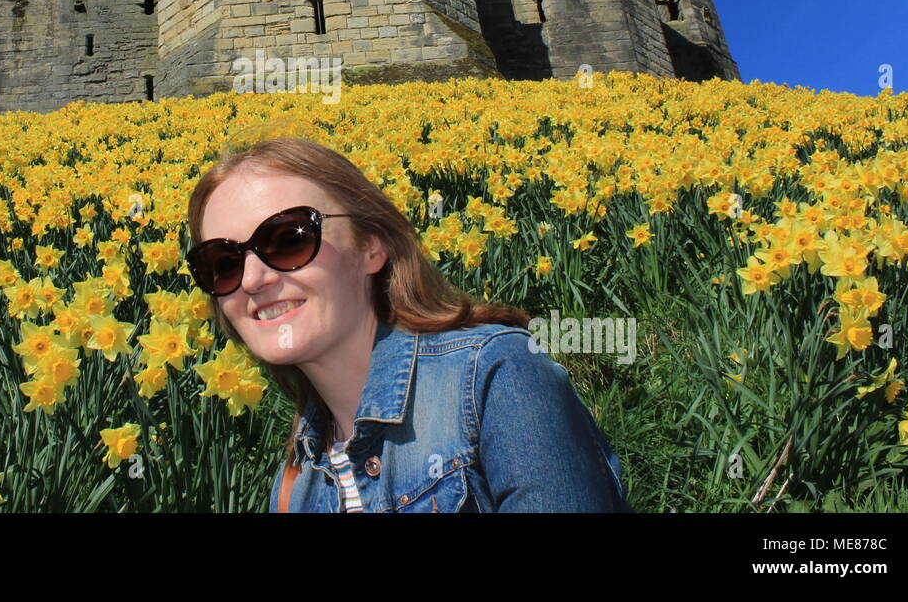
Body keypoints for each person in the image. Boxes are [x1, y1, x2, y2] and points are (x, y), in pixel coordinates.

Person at [184, 135, 632, 512]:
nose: (253, 279)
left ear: (371, 247)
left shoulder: (495, 379)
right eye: (222, 262)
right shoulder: (296, 485)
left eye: (288, 239)